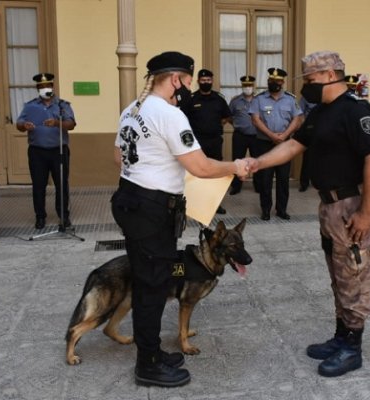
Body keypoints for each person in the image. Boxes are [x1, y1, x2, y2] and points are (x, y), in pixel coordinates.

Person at [111, 51, 249, 388]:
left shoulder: (133, 109)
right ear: (176, 79)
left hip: (132, 200)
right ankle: (148, 364)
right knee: (153, 286)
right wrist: (235, 167)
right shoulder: (169, 115)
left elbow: (118, 155)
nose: (188, 87)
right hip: (151, 211)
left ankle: (154, 351)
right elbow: (200, 166)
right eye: (187, 81)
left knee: (151, 279)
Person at [245, 51, 370, 377]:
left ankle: (353, 347)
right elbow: (294, 145)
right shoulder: (321, 112)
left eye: (309, 79)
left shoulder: (357, 111)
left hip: (352, 206)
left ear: (329, 75)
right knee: (339, 275)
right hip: (330, 207)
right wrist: (256, 163)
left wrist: (365, 214)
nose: (306, 85)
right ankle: (341, 336)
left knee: (354, 276)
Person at [16, 73, 76, 229]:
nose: (45, 88)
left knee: (62, 184)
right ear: (37, 88)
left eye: (48, 85)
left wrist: (57, 123)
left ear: (52, 87)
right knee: (38, 185)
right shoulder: (30, 106)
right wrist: (24, 126)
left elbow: (71, 124)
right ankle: (40, 216)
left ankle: (63, 215)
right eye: (42, 86)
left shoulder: (62, 105)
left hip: (59, 150)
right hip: (37, 152)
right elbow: (19, 124)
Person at [249, 67, 303, 220]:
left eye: (277, 81)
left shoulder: (290, 99)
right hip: (265, 143)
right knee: (265, 179)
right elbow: (255, 119)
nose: (274, 83)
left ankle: (281, 210)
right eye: (271, 80)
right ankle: (265, 210)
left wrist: (284, 135)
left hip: (285, 144)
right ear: (268, 81)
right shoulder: (259, 99)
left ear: (282, 82)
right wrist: (272, 135)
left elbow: (297, 119)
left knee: (283, 179)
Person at [182, 69, 232, 214]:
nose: (206, 83)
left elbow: (226, 117)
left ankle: (215, 204)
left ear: (212, 81)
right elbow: (182, 119)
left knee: (216, 173)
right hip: (196, 143)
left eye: (208, 80)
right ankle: (195, 204)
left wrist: (215, 126)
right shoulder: (191, 99)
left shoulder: (219, 99)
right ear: (198, 81)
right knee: (195, 172)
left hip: (215, 142)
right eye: (203, 80)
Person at [229, 75, 258, 195]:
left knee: (257, 161)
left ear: (253, 86)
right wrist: (238, 125)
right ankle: (236, 186)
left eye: (250, 85)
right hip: (240, 136)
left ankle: (259, 186)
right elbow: (229, 117)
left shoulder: (259, 100)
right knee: (237, 161)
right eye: (245, 85)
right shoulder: (235, 101)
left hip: (257, 136)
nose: (248, 88)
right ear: (242, 86)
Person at [297, 96, 317, 192]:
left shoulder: (327, 95)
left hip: (325, 130)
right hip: (310, 130)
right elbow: (300, 113)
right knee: (307, 159)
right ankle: (304, 183)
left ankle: (319, 182)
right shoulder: (306, 97)